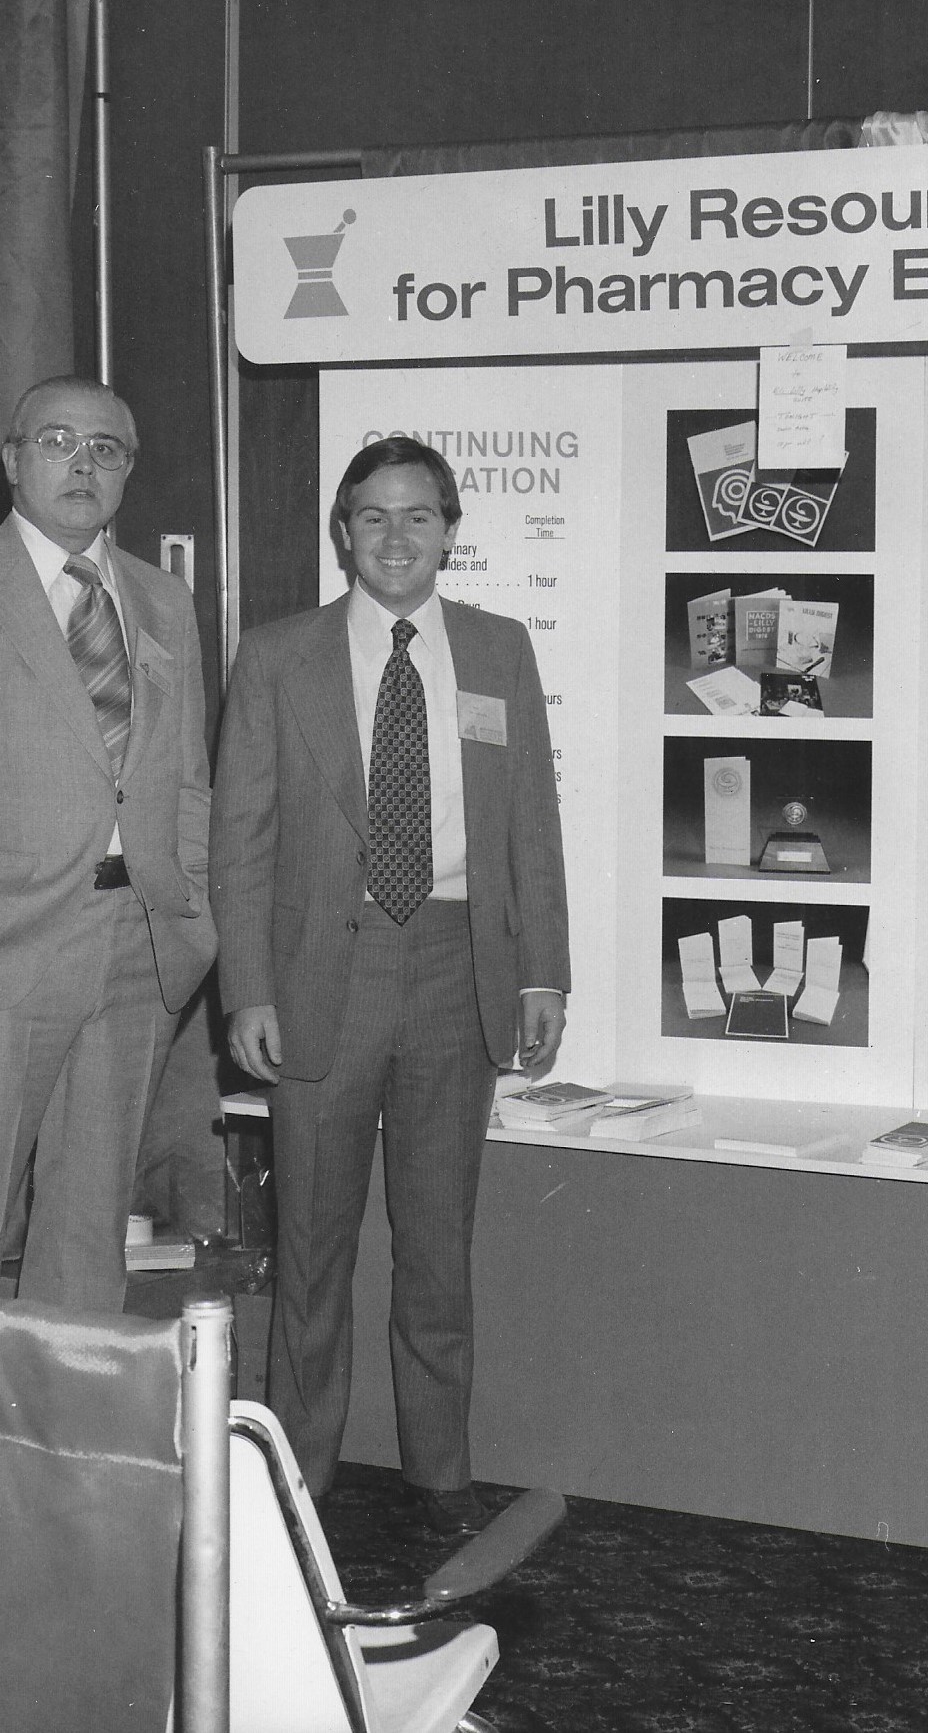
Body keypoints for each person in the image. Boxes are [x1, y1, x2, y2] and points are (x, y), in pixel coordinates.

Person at [210, 434, 569, 1533]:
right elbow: (240, 839)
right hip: (327, 972)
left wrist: (543, 971)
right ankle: (298, 1479)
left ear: (450, 529)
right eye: (373, 516)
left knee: (436, 1240)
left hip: (459, 967)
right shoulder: (278, 657)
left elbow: (529, 827)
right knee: (313, 1250)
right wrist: (248, 989)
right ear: (343, 531)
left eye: (418, 515)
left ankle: (440, 1477)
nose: (396, 537)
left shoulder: (500, 650)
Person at [0, 375, 216, 1308]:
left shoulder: (163, 600)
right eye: (57, 442)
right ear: (12, 461)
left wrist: (189, 905)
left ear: (129, 471)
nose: (83, 465)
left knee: (89, 1235)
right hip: (14, 950)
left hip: (137, 947)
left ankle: (61, 1447)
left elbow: (189, 778)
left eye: (107, 449)